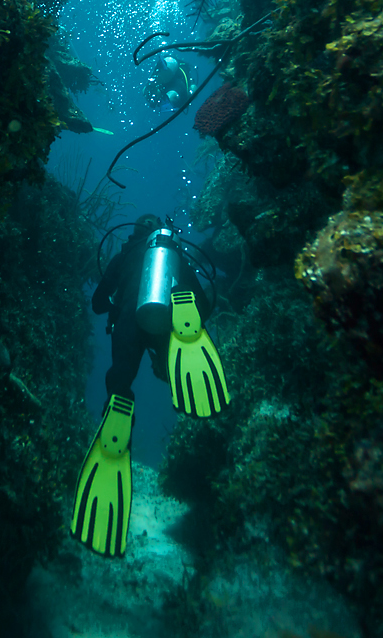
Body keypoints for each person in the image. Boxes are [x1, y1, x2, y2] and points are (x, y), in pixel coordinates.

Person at [70, 214, 229, 558]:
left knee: (121, 385)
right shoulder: (172, 253)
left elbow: (98, 304)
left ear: (132, 234)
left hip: (128, 320)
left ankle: (116, 425)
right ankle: (176, 346)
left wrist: (117, 301)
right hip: (164, 318)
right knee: (181, 322)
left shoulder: (125, 255)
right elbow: (205, 304)